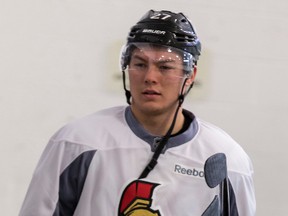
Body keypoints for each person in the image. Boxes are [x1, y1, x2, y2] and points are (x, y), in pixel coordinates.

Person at [19, 9, 256, 216]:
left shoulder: (227, 158)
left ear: (190, 76)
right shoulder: (77, 142)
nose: (150, 77)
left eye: (165, 67)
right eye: (140, 64)